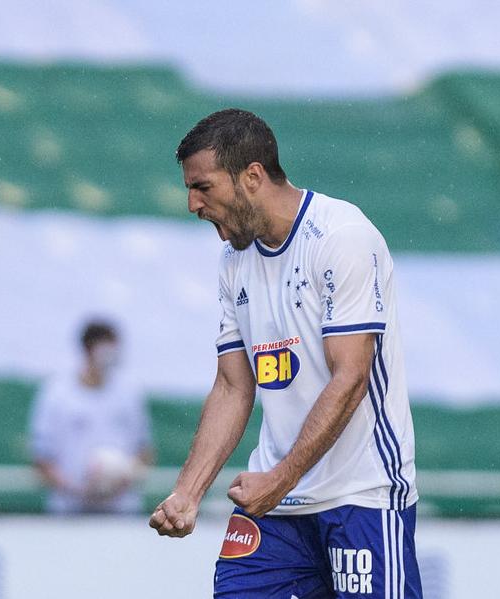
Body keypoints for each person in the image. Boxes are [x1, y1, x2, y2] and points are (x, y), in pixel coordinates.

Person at [150, 109, 423, 598]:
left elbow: (350, 380)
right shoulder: (234, 261)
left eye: (203, 187)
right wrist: (187, 493)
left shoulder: (343, 238)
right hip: (274, 507)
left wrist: (279, 478)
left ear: (252, 176)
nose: (192, 203)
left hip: (360, 495)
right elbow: (234, 385)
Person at [30, 320, 154, 514]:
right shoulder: (57, 393)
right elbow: (42, 459)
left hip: (121, 513)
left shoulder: (130, 393)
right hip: (69, 513)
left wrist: (124, 479)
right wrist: (78, 491)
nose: (111, 356)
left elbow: (145, 452)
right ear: (88, 349)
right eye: (106, 349)